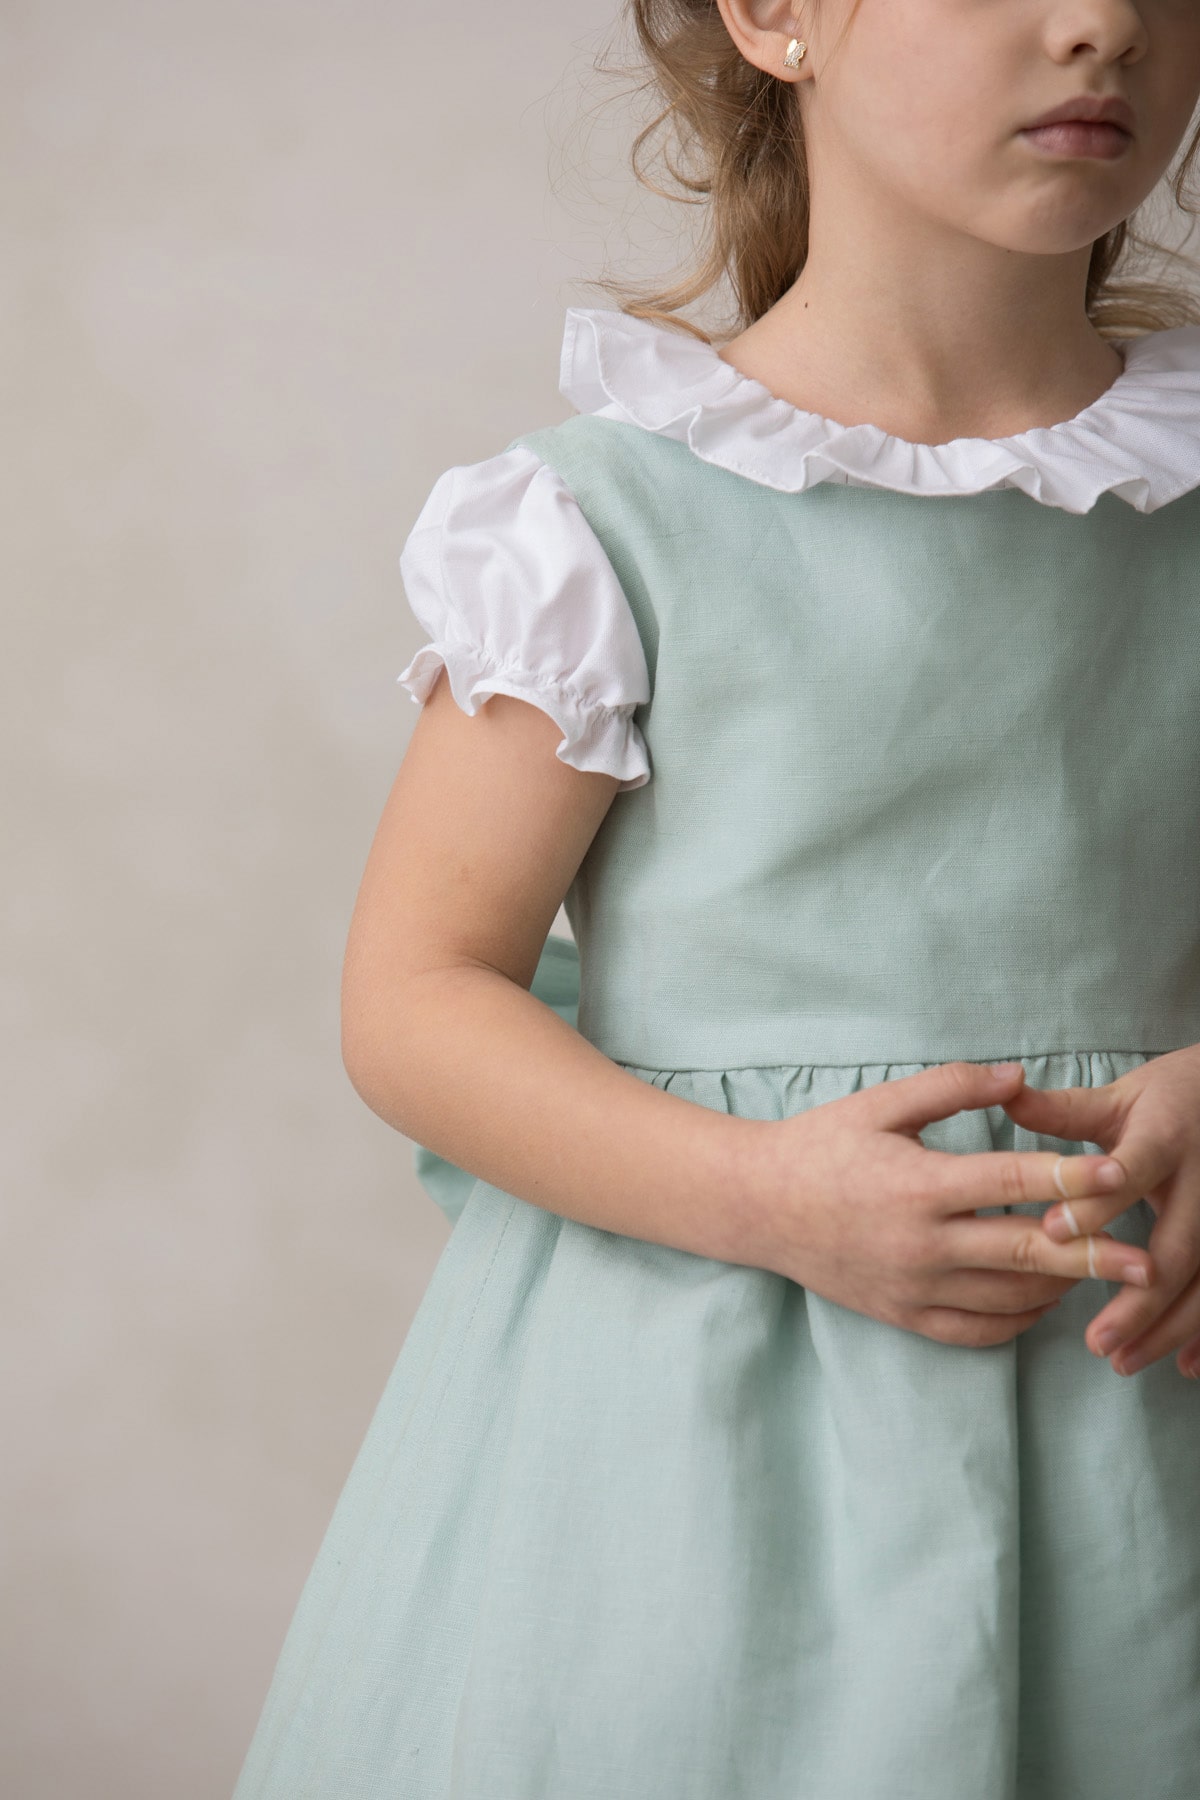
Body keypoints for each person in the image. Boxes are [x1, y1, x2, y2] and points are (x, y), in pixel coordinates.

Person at [231, 2, 1200, 1795]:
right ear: (775, 17)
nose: (1105, 23)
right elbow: (418, 996)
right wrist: (771, 1194)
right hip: (695, 1437)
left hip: (1148, 1389)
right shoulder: (608, 519)